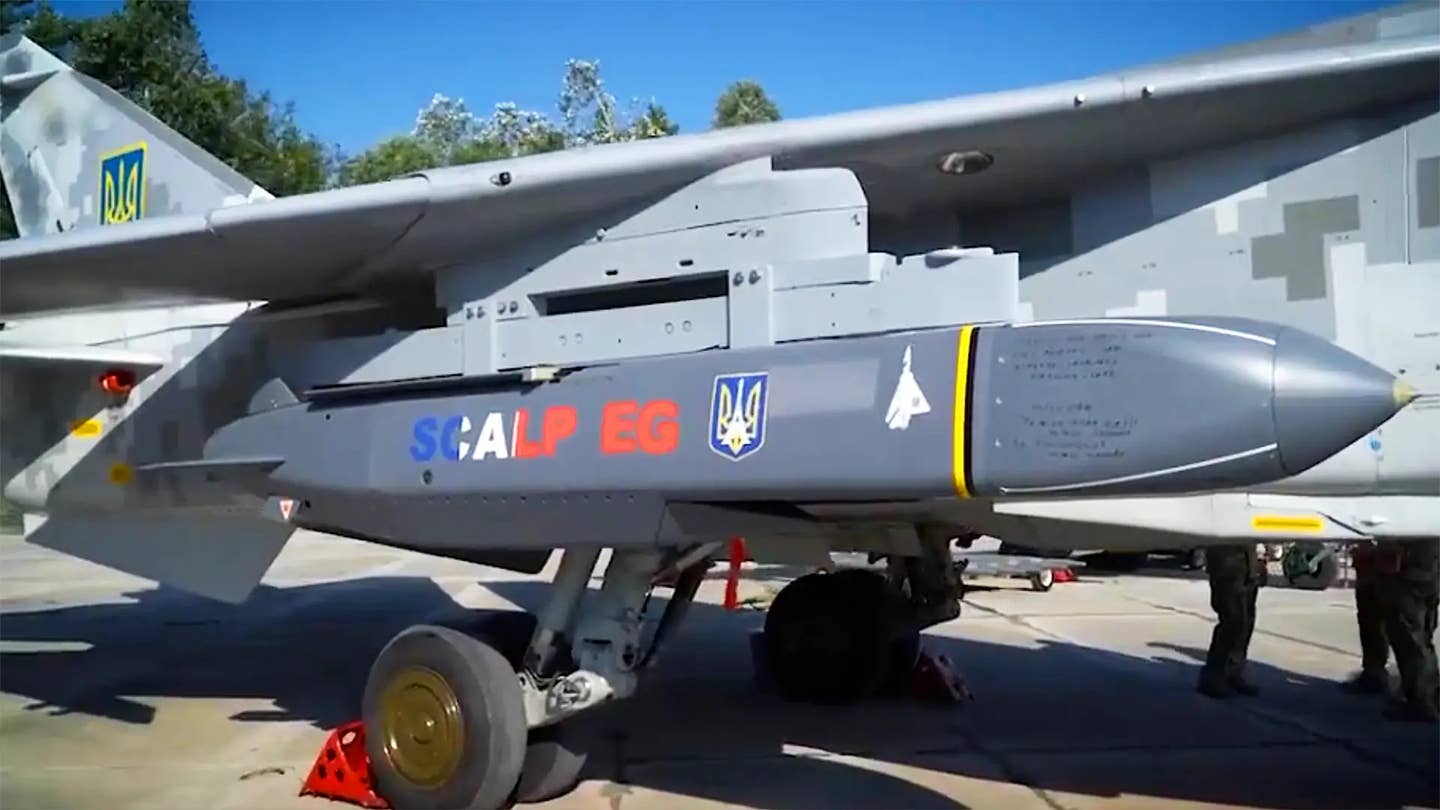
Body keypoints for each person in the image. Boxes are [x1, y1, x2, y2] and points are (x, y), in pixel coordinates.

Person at [1380, 537, 1439, 722]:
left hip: (1414, 575)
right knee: (1422, 637)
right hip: (1430, 574)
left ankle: (1422, 703)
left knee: (1411, 639)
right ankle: (1427, 696)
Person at [1198, 543, 1265, 698]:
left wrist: (1260, 561)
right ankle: (1212, 678)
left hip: (1248, 566)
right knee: (1232, 622)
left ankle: (1233, 672)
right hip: (1227, 565)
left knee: (1246, 622)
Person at [1340, 540, 1391, 694]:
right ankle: (1373, 671)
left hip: (1375, 573)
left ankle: (1375, 674)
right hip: (1370, 570)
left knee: (1373, 623)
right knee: (1370, 622)